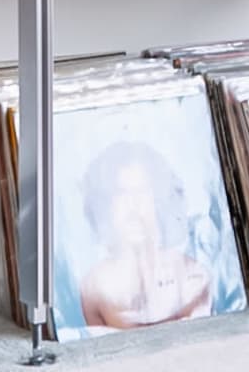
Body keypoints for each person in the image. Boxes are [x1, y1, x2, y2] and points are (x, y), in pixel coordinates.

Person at [70, 136, 220, 329]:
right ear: (106, 205)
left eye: (142, 191)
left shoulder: (193, 276)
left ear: (158, 200)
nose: (133, 205)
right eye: (121, 194)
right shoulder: (94, 287)